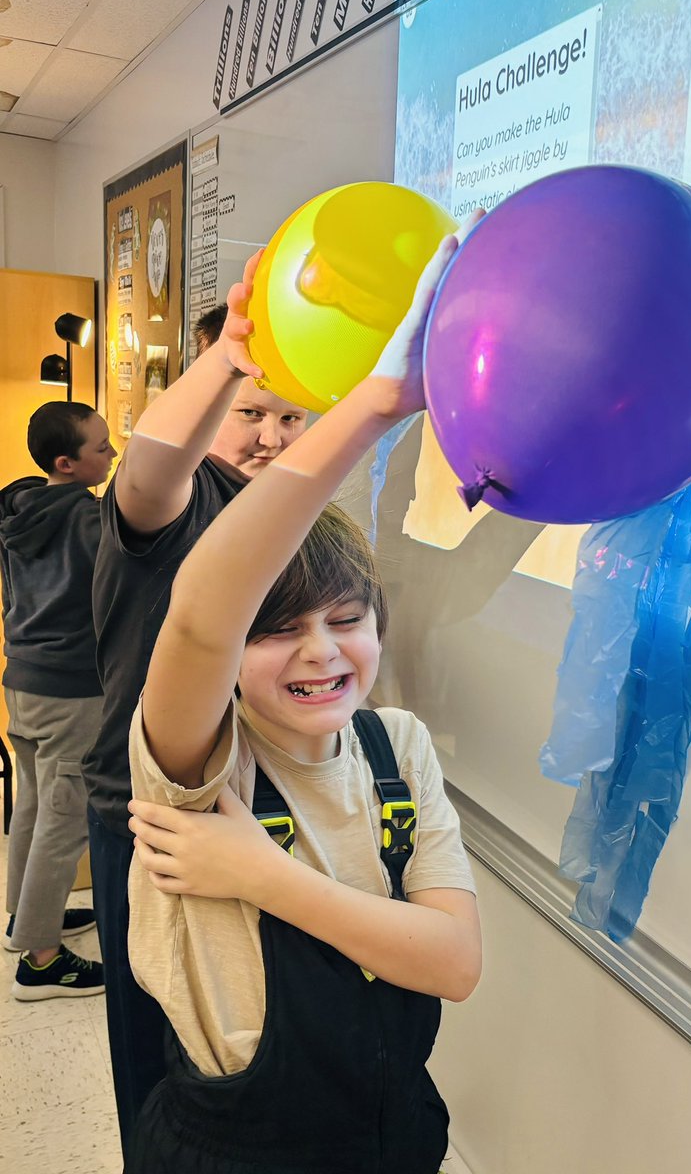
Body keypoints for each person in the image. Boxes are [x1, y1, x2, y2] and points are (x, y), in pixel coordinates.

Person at [123, 230, 481, 1173]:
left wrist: (263, 876)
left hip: (393, 1134)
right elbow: (201, 618)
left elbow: (453, 963)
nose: (323, 653)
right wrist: (374, 402)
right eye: (279, 630)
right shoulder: (199, 770)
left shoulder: (396, 746)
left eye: (348, 619)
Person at [82, 288, 311, 1148]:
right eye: (250, 410)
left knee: (240, 1053)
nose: (271, 437)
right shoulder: (179, 504)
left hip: (255, 815)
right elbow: (149, 468)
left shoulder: (288, 512)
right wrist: (229, 352)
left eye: (291, 417)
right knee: (163, 1063)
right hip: (153, 820)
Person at [1, 401, 116, 998]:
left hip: (22, 682)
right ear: (67, 463)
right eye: (101, 447)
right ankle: (40, 960)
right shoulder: (92, 523)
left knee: (34, 804)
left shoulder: (18, 509)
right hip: (71, 691)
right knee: (64, 818)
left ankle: (26, 917)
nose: (113, 452)